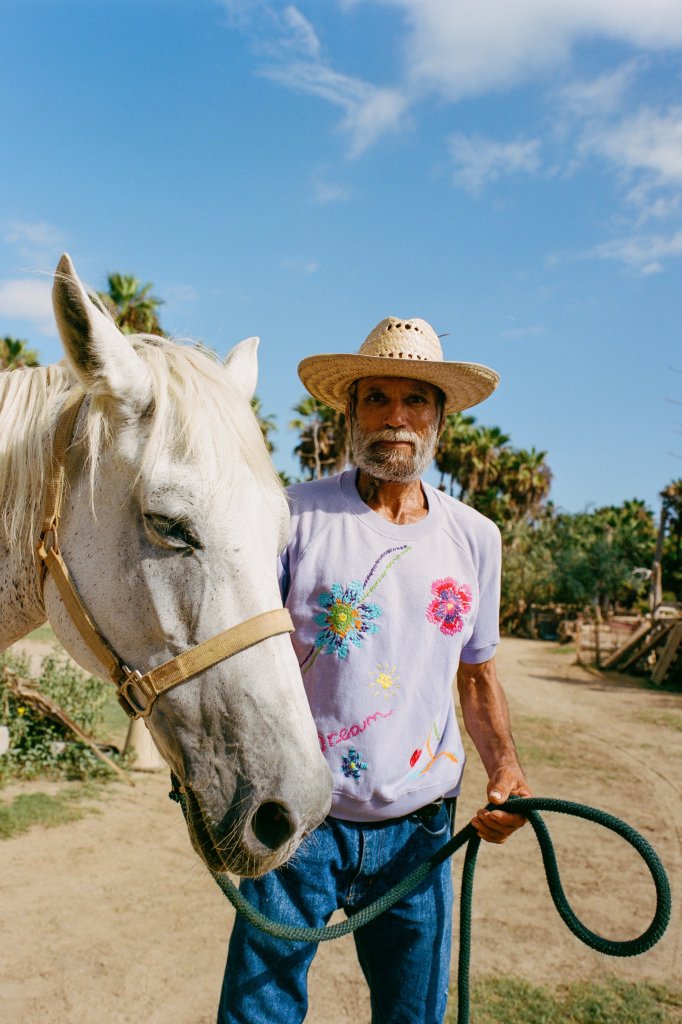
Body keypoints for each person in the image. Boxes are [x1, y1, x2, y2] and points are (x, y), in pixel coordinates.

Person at [218, 316, 532, 1024]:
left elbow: (476, 677)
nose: (396, 417)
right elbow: (245, 660)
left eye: (416, 399)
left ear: (440, 418)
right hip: (297, 817)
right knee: (256, 1012)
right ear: (349, 412)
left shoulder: (475, 538)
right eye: (377, 398)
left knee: (412, 1014)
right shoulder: (292, 517)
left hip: (418, 830)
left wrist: (505, 767)